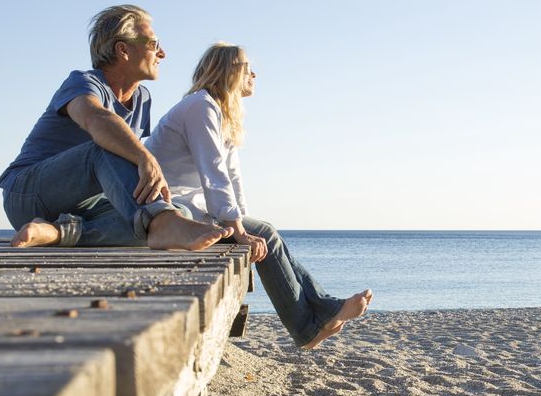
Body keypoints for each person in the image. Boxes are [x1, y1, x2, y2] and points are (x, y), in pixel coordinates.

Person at [144, 42, 372, 349]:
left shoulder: (221, 112)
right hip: (171, 211)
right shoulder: (201, 107)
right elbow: (214, 174)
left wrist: (244, 226)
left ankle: (322, 313)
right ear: (227, 71)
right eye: (246, 67)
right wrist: (240, 231)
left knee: (263, 231)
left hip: (193, 207)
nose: (254, 73)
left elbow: (233, 178)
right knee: (262, 232)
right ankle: (309, 327)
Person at [0, 5, 230, 250]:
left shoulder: (142, 98)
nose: (162, 53)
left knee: (179, 211)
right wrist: (145, 157)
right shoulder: (82, 82)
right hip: (27, 195)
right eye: (153, 43)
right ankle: (160, 224)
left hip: (84, 205)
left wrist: (156, 202)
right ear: (123, 49)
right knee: (108, 146)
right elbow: (96, 120)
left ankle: (57, 232)